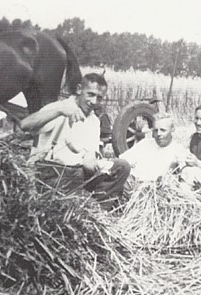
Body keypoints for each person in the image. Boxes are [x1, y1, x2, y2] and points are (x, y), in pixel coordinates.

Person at [19, 73, 130, 204]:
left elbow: (88, 160)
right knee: (73, 186)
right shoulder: (60, 107)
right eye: (91, 94)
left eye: (99, 98)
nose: (94, 102)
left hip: (76, 173)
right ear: (79, 89)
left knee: (122, 166)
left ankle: (98, 212)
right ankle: (79, 204)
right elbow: (25, 124)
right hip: (50, 171)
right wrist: (59, 111)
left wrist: (100, 165)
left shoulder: (94, 121)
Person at [119, 113, 188, 190]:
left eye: (163, 130)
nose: (158, 134)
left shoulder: (178, 150)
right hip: (133, 186)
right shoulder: (145, 143)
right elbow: (123, 161)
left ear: (172, 131)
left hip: (156, 191)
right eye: (155, 130)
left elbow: (185, 174)